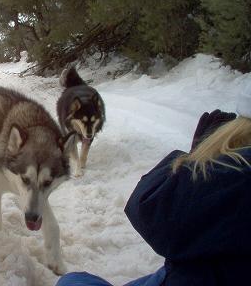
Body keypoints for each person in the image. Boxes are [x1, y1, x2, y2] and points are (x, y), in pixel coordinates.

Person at [56, 80, 251, 286]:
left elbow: (149, 208)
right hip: (191, 274)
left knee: (71, 282)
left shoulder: (240, 176)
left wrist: (198, 162)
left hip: (188, 277)